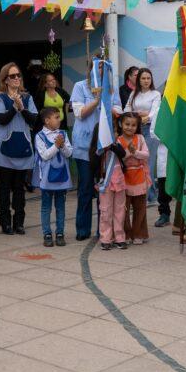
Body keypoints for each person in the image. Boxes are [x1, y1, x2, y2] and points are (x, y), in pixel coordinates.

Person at [69, 61, 122, 239]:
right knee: (85, 189)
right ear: (91, 69)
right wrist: (97, 100)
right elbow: (79, 112)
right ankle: (82, 230)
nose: (101, 70)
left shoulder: (111, 89)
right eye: (98, 67)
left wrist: (108, 103)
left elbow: (118, 111)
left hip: (104, 147)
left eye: (104, 67)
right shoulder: (80, 86)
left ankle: (103, 231)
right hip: (84, 146)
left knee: (103, 190)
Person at [0, 63, 38, 235]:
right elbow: (1, 120)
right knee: (5, 186)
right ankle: (5, 222)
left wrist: (22, 108)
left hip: (22, 147)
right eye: (12, 76)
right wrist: (14, 107)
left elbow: (33, 120)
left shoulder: (27, 98)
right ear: (5, 80)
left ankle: (19, 222)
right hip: (4, 149)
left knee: (19, 187)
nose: (17, 78)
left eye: (18, 75)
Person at [96, 112, 149, 250]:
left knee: (131, 209)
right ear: (121, 125)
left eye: (133, 125)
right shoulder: (112, 143)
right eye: (127, 124)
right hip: (116, 180)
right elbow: (121, 157)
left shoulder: (139, 138)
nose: (130, 127)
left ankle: (131, 235)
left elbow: (143, 154)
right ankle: (112, 237)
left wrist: (134, 152)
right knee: (111, 210)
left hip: (130, 178)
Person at [34, 106, 73, 247]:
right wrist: (56, 146)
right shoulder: (39, 136)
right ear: (47, 120)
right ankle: (47, 233)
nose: (59, 119)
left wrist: (62, 146)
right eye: (56, 117)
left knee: (60, 206)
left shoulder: (63, 133)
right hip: (46, 177)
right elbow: (44, 155)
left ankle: (60, 233)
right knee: (46, 206)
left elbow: (69, 153)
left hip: (61, 176)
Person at [124, 68, 161, 205]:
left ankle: (146, 197)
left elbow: (154, 113)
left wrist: (140, 116)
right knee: (137, 162)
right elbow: (126, 110)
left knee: (148, 163)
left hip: (151, 130)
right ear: (138, 80)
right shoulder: (134, 93)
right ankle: (150, 196)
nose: (146, 81)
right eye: (143, 78)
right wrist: (140, 115)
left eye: (148, 78)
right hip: (136, 130)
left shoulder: (156, 94)